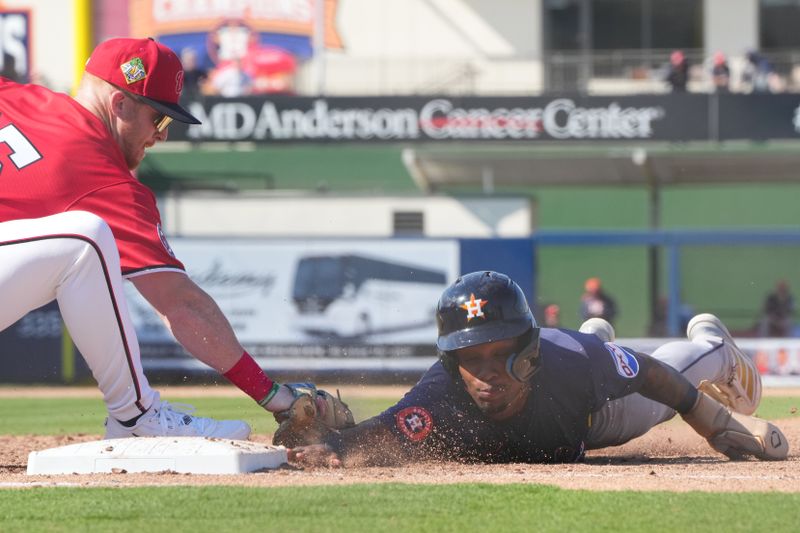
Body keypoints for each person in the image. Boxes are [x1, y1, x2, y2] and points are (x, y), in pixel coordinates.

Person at [0, 37, 301, 439]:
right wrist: (272, 395)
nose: (162, 135)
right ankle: (136, 418)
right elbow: (182, 305)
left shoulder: (15, 94)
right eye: (158, 119)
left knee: (83, 245)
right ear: (120, 106)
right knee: (85, 238)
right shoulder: (106, 182)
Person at [289, 271, 787, 466]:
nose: (485, 372)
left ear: (529, 351)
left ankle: (713, 343)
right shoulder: (439, 395)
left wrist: (711, 419)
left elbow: (653, 375)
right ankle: (596, 333)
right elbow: (380, 434)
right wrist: (325, 447)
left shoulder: (572, 365)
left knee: (651, 387)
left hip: (593, 414)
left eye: (499, 352)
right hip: (578, 366)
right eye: (470, 357)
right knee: (596, 354)